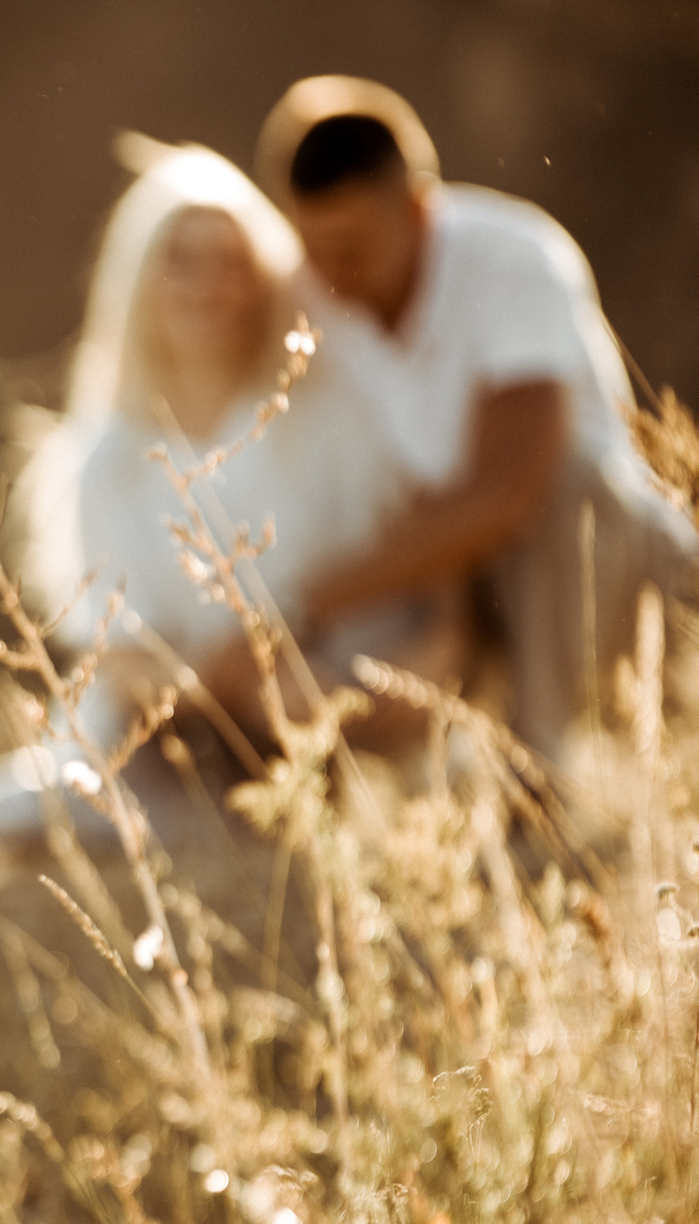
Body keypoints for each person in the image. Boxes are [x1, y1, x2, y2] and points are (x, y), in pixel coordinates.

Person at [0, 141, 434, 835]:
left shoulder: (334, 422)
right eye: (182, 260)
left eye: (231, 263)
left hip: (341, 714)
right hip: (174, 738)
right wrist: (226, 683)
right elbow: (120, 661)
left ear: (263, 280)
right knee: (26, 816)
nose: (209, 284)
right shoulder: (103, 459)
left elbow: (411, 594)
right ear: (138, 280)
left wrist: (341, 699)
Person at [241, 76, 698, 762]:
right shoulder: (312, 293)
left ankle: (544, 777)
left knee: (563, 494)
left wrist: (300, 603)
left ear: (419, 207)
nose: (332, 270)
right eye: (315, 247)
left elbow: (509, 494)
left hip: (608, 558)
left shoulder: (513, 258)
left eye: (354, 247)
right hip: (451, 569)